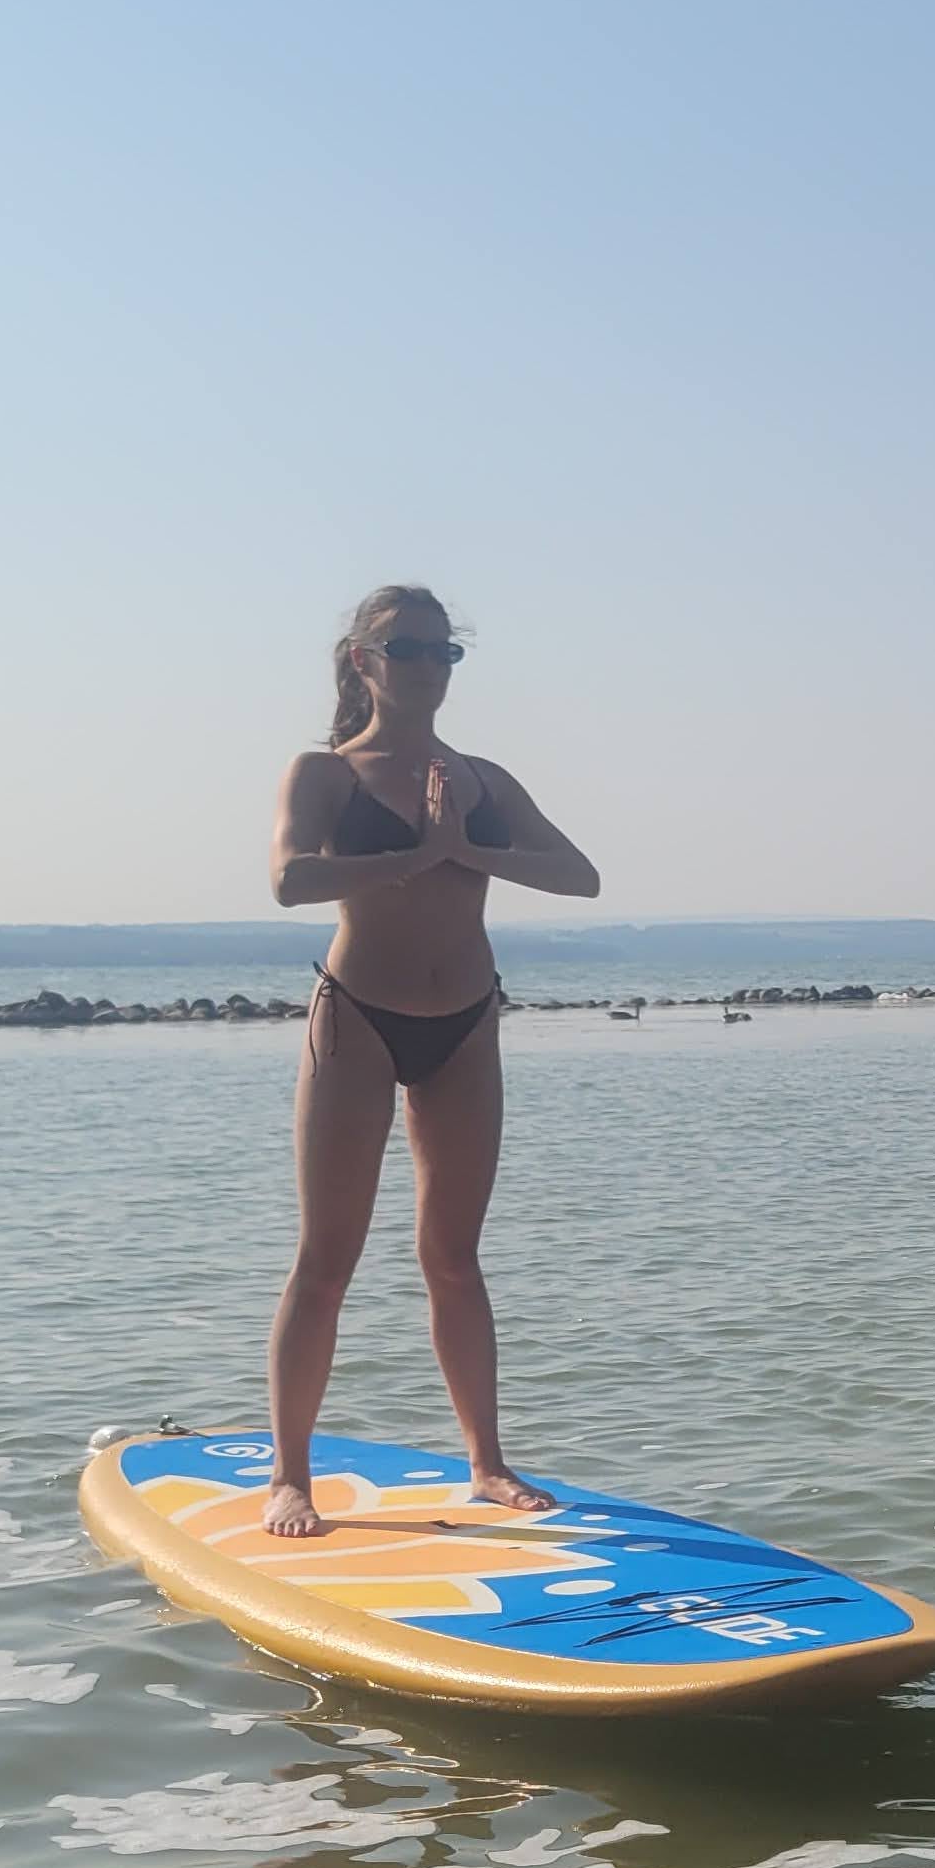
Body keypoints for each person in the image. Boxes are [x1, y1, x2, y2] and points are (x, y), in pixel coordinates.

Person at [260, 585, 602, 1536]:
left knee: (453, 1258)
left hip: (465, 1023)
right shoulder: (328, 773)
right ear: (363, 660)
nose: (427, 667)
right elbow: (291, 879)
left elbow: (580, 875)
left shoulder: (481, 779)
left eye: (444, 652)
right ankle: (291, 1476)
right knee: (326, 1260)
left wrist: (467, 847)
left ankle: (488, 1463)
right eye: (407, 649)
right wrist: (416, 854)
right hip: (359, 1017)